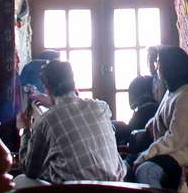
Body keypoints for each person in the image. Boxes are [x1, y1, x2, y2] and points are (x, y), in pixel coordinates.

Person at [14, 61, 126, 189]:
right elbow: (75, 112)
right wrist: (54, 103)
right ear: (73, 83)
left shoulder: (46, 121)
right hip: (118, 187)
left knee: (20, 181)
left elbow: (29, 169)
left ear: (47, 89)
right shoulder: (101, 107)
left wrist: (24, 129)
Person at [132, 46, 188, 190]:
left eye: (159, 62)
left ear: (170, 65)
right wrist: (152, 123)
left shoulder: (187, 94)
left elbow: (176, 138)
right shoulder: (172, 90)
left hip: (183, 153)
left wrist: (146, 155)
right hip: (170, 151)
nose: (156, 67)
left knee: (145, 171)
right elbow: (165, 115)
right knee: (126, 165)